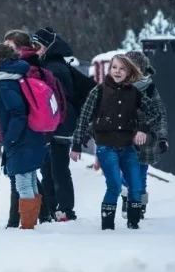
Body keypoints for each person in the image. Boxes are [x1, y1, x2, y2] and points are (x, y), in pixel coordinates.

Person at [69, 54, 163, 230]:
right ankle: (107, 227)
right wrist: (76, 144)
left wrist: (142, 129)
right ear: (109, 69)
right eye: (114, 67)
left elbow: (154, 113)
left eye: (122, 68)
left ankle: (134, 224)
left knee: (136, 186)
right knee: (114, 186)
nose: (117, 71)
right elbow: (84, 118)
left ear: (129, 72)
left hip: (128, 147)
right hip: (106, 147)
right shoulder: (98, 91)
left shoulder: (134, 93)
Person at [0, 43, 49, 230]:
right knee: (30, 178)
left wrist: (9, 138)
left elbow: (18, 112)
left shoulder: (4, 82)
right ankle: (32, 222)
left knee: (23, 182)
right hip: (32, 134)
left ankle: (28, 226)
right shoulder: (18, 75)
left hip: (21, 138)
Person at [0, 30, 62, 224]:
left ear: (20, 48)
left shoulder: (20, 70)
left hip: (25, 130)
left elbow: (14, 108)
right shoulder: (38, 68)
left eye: (9, 46)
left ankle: (21, 222)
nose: (5, 50)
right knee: (30, 175)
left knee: (20, 178)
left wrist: (6, 133)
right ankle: (42, 216)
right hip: (39, 129)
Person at [31, 27, 83, 222]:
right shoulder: (51, 65)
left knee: (57, 168)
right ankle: (54, 207)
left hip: (59, 125)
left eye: (37, 46)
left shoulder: (54, 68)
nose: (34, 50)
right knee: (49, 168)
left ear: (48, 47)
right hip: (56, 125)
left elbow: (58, 99)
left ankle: (64, 209)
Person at [122, 50, 169, 219]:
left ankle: (138, 206)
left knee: (140, 174)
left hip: (145, 141)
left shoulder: (149, 89)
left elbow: (160, 113)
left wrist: (162, 137)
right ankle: (128, 200)